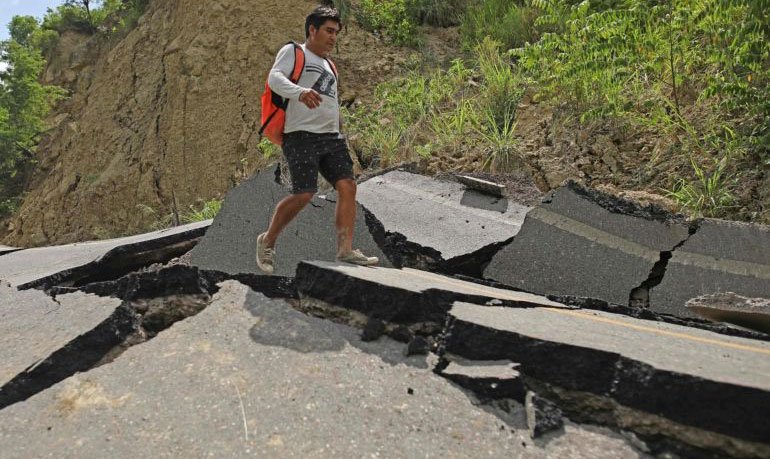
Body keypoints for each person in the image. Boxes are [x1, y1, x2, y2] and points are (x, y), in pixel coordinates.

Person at [255, 5, 378, 275]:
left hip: (331, 138)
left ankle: (345, 250)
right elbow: (274, 78)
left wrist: (339, 131)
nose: (333, 37)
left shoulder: (330, 64)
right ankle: (268, 240)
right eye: (329, 31)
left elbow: (330, 102)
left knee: (347, 187)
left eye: (336, 32)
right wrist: (299, 92)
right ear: (313, 29)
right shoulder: (294, 52)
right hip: (300, 136)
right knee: (304, 193)